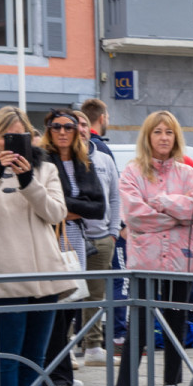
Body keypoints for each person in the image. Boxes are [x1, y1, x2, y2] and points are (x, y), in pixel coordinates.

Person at [0, 106, 73, 386]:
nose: (12, 143)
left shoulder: (45, 168)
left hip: (44, 279)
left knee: (34, 360)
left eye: (19, 135)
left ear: (31, 136)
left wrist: (27, 181)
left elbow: (55, 214)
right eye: (5, 136)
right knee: (6, 361)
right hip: (3, 281)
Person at [111, 111, 193, 386]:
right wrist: (175, 214)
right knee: (137, 323)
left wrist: (161, 201)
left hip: (180, 259)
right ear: (148, 136)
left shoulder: (188, 173)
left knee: (176, 322)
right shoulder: (132, 172)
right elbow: (135, 215)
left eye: (169, 132)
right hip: (145, 260)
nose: (164, 137)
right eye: (158, 132)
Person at [41, 108, 105, 386]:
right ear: (49, 130)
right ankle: (55, 374)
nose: (64, 131)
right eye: (57, 127)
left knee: (68, 309)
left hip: (75, 239)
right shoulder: (42, 160)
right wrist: (73, 205)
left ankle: (61, 372)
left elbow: (98, 207)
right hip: (50, 239)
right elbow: (46, 204)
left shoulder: (84, 162)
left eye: (69, 126)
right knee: (53, 308)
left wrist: (67, 206)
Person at [74, 110, 121, 368]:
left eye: (83, 123)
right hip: (71, 237)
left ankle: (93, 346)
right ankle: (67, 348)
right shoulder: (61, 160)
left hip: (101, 237)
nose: (79, 128)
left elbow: (115, 197)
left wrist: (113, 232)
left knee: (95, 296)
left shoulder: (104, 158)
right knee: (67, 294)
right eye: (74, 124)